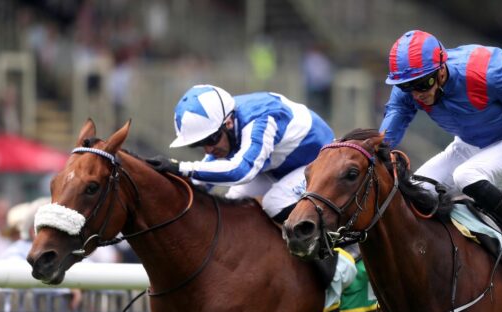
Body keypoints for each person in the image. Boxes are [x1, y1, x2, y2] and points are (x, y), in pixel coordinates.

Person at [147, 84, 355, 289]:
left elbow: (241, 171)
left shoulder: (261, 118)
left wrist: (182, 167)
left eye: (211, 139)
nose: (208, 149)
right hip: (277, 166)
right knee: (233, 202)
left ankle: (334, 257)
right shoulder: (227, 122)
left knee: (275, 202)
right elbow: (200, 182)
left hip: (316, 161)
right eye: (199, 144)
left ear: (228, 123)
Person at [379, 30, 502, 246]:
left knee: (465, 175)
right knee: (416, 194)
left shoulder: (486, 72)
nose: (416, 94)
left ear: (441, 69)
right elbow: (391, 124)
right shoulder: (410, 86)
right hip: (468, 145)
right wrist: (376, 154)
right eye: (406, 87)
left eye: (422, 84)